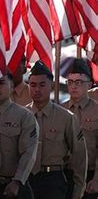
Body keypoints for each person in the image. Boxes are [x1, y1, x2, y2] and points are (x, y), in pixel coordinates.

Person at [26, 60, 87, 199]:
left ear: (52, 86)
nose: (37, 90)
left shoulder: (65, 117)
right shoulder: (21, 116)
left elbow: (79, 157)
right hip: (25, 179)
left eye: (42, 85)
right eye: (33, 85)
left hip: (53, 180)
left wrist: (78, 190)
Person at [0, 73, 39, 199]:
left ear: (11, 87)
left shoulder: (24, 116)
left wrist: (17, 181)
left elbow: (29, 152)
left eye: (1, 83)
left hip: (15, 186)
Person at [62, 58, 98, 198]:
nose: (73, 87)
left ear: (89, 84)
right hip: (66, 174)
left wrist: (96, 179)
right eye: (70, 82)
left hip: (90, 174)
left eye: (78, 82)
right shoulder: (60, 111)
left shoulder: (96, 110)